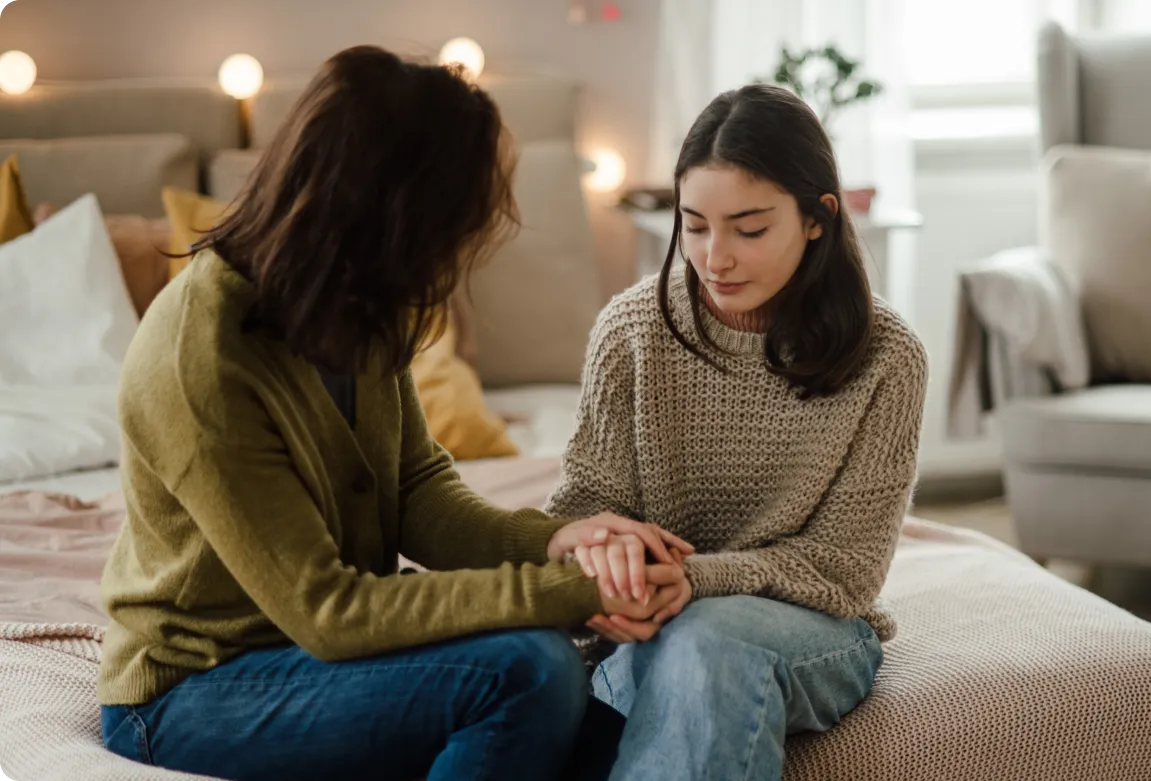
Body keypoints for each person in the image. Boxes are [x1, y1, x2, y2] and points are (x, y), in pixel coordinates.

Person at [96, 46, 693, 781]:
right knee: (528, 671)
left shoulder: (355, 307)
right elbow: (329, 609)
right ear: (391, 216)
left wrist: (561, 541)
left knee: (634, 739)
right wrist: (568, 592)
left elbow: (419, 496)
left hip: (322, 659)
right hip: (195, 686)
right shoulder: (202, 355)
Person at [545, 83, 929, 780]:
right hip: (653, 618)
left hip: (812, 627)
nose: (715, 256)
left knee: (710, 640)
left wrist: (695, 579)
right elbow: (582, 509)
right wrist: (614, 566)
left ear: (818, 219)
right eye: (694, 226)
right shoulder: (631, 332)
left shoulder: (888, 357)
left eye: (748, 229)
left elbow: (843, 571)